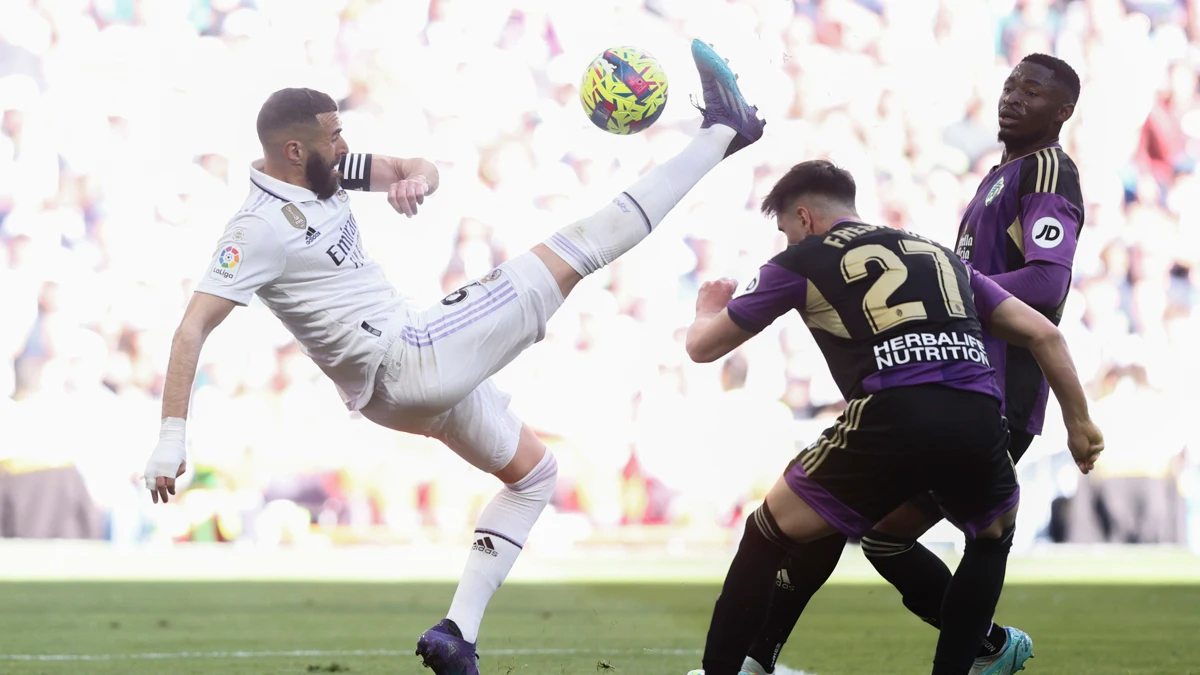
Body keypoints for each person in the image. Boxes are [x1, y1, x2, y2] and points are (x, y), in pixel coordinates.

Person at [140, 41, 766, 675]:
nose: (345, 142)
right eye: (334, 135)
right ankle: (721, 133)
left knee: (534, 475)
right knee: (582, 245)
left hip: (393, 392)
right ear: (295, 150)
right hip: (406, 355)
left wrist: (416, 179)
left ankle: (457, 635)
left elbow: (413, 165)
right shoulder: (256, 229)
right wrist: (170, 437)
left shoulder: (322, 170)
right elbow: (192, 328)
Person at [683, 160, 1102, 675]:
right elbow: (1045, 334)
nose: (788, 242)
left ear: (805, 217)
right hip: (977, 414)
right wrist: (1079, 425)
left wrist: (707, 307)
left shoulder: (802, 260)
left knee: (770, 530)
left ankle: (723, 670)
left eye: (787, 231)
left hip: (892, 414)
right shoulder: (939, 256)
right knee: (990, 538)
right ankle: (971, 660)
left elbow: (703, 348)